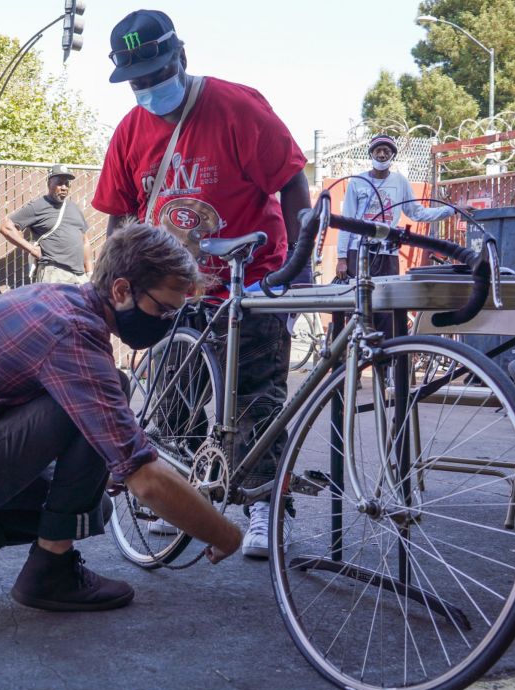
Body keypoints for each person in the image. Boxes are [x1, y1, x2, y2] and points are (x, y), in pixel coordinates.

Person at [0, 224, 243, 612]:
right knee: (105, 393)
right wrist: (225, 533)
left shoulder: (58, 300)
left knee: (95, 507)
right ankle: (51, 571)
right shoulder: (71, 332)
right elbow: (144, 480)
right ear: (122, 290)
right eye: (163, 309)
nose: (167, 322)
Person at [92, 9, 312, 559]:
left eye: (156, 74)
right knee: (174, 400)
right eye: (137, 81)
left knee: (257, 397)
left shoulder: (236, 107)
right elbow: (120, 216)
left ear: (181, 57)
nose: (148, 89)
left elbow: (292, 183)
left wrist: (294, 269)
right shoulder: (129, 131)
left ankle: (263, 507)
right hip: (170, 291)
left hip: (249, 278)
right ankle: (185, 500)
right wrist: (111, 283)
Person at [335, 134, 460, 337]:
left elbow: (417, 213)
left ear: (392, 155)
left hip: (387, 254)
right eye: (378, 150)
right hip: (358, 253)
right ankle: (353, 357)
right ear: (371, 153)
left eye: (387, 150)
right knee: (358, 308)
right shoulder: (357, 182)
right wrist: (341, 258)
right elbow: (346, 222)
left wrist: (452, 210)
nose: (382, 154)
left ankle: (384, 362)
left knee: (386, 309)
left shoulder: (400, 182)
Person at [0, 163, 92, 285]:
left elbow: (85, 241)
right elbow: (5, 227)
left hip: (79, 277)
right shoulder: (38, 206)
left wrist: (90, 273)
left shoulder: (74, 208)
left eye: (67, 183)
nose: (64, 187)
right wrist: (32, 249)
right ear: (49, 184)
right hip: (54, 273)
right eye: (59, 183)